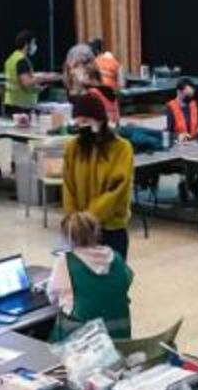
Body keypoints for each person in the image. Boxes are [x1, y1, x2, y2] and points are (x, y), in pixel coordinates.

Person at [64, 90, 134, 258]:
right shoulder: (73, 148)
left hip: (111, 229)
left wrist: (90, 217)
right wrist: (73, 219)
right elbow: (68, 186)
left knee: (112, 282)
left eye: (86, 121)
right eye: (78, 122)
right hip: (80, 231)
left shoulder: (121, 148)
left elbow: (118, 189)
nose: (82, 126)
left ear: (100, 120)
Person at [47, 211, 135, 341]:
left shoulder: (66, 260)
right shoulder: (115, 257)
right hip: (119, 338)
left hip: (81, 342)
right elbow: (127, 280)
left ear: (67, 236)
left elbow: (53, 295)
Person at [4, 30, 45, 111]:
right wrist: (43, 78)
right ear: (26, 44)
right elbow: (26, 83)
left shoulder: (11, 58)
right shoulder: (21, 60)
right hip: (22, 105)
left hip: (12, 102)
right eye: (33, 43)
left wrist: (35, 87)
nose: (34, 46)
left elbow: (17, 81)